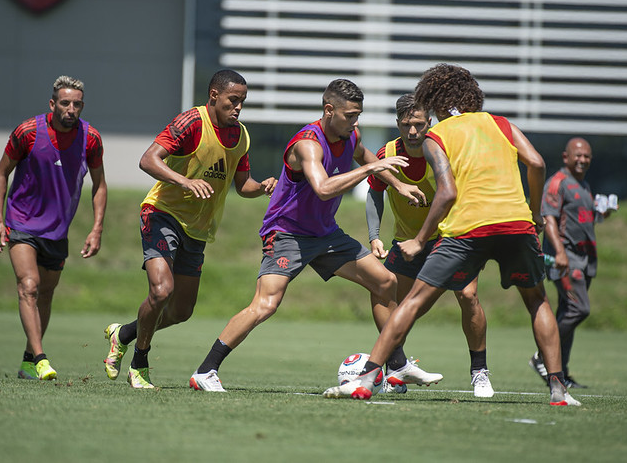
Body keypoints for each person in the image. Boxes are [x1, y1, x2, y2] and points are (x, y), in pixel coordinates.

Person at [324, 64, 581, 406]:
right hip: (516, 223)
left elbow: (446, 193)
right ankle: (558, 389)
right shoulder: (500, 123)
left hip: (466, 228)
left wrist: (420, 239)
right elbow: (535, 163)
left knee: (414, 301)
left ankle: (369, 377)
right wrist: (534, 214)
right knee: (537, 301)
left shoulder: (439, 136)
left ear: (434, 103)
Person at [189, 79, 440, 393]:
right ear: (329, 110)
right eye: (349, 115)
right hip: (287, 235)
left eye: (358, 115)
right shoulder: (308, 143)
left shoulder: (352, 135)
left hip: (325, 234)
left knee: (385, 281)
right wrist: (370, 172)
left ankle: (398, 365)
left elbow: (368, 159)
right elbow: (322, 189)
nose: (355, 122)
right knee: (265, 305)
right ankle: (205, 370)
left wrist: (399, 185)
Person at [101, 69, 276, 389]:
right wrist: (185, 181)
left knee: (182, 311)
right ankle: (139, 364)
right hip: (161, 214)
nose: (238, 107)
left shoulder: (241, 135)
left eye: (243, 102)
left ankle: (123, 333)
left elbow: (242, 185)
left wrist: (263, 187)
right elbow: (148, 159)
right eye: (233, 100)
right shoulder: (192, 122)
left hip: (197, 229)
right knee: (161, 290)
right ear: (214, 96)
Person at [365, 93, 493, 398]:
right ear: (397, 123)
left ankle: (480, 373)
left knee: (468, 295)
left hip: (450, 238)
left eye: (419, 125)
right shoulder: (389, 152)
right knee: (383, 293)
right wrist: (374, 235)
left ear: (429, 123)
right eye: (406, 124)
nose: (412, 132)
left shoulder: (442, 150)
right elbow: (374, 192)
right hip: (407, 241)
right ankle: (396, 368)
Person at [0, 75, 107, 381]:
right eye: (65, 103)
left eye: (77, 104)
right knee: (29, 286)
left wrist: (96, 228)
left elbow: (100, 185)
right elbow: (1, 172)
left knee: (45, 294)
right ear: (52, 104)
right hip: (22, 223)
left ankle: (28, 360)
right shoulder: (28, 132)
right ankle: (41, 358)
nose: (71, 109)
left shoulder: (90, 138)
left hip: (57, 231)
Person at [528, 137, 613, 389]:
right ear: (566, 157)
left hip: (584, 259)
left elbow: (580, 219)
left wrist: (602, 214)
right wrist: (560, 252)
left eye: (586, 156)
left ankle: (560, 373)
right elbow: (550, 219)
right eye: (578, 155)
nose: (582, 160)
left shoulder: (583, 185)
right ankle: (542, 355)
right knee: (579, 309)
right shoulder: (558, 182)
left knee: (568, 312)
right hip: (564, 258)